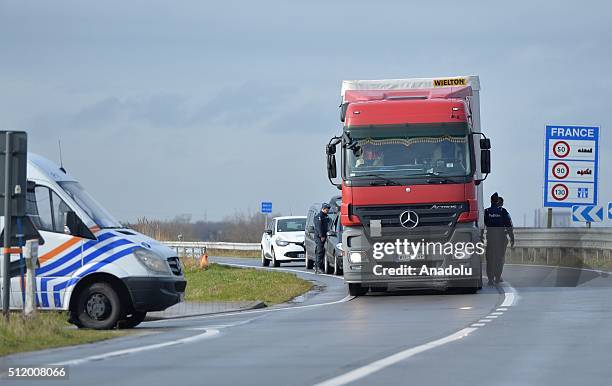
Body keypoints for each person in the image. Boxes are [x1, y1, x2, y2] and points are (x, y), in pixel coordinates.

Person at [484, 192, 514, 285]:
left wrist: (480, 236)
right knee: (500, 258)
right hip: (501, 238)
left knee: (489, 258)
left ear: (491, 201)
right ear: (498, 201)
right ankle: (497, 277)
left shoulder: (486, 212)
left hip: (491, 238)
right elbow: (509, 225)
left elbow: (481, 225)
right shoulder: (503, 211)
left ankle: (490, 279)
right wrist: (512, 238)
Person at [313, 203, 331, 273]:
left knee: (322, 251)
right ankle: (318, 267)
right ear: (323, 209)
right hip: (319, 237)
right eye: (327, 210)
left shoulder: (325, 216)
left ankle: (319, 266)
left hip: (323, 236)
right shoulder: (319, 216)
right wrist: (321, 236)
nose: (328, 211)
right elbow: (319, 227)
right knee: (320, 251)